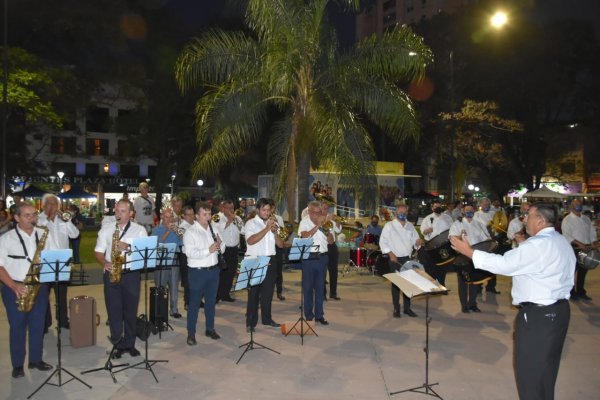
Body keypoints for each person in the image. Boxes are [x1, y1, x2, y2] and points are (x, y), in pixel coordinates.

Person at [450, 203, 575, 400]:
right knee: (546, 370)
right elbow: (540, 261)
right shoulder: (560, 240)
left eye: (529, 215)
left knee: (530, 374)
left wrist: (469, 252)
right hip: (559, 312)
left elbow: (504, 265)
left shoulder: (537, 246)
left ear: (541, 221)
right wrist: (523, 243)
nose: (524, 219)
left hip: (539, 316)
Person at [0, 202, 53, 378]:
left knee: (38, 325)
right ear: (16, 218)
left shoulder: (43, 233)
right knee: (18, 326)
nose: (33, 218)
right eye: (27, 215)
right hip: (14, 287)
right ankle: (17, 365)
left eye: (34, 214)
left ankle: (35, 360)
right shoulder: (6, 239)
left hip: (39, 285)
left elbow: (52, 257)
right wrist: (13, 285)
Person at [95, 199, 147, 359]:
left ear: (131, 213)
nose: (118, 214)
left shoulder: (139, 230)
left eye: (122, 211)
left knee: (130, 312)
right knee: (114, 311)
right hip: (111, 273)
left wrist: (128, 247)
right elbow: (98, 251)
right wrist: (105, 262)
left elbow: (146, 252)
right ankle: (117, 343)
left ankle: (129, 344)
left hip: (131, 274)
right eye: (117, 211)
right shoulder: (107, 229)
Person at [182, 202, 224, 345]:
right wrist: (209, 250)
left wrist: (220, 243)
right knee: (194, 304)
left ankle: (210, 328)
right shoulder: (191, 232)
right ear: (197, 216)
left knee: (211, 303)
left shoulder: (214, 229)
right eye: (205, 214)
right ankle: (191, 333)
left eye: (209, 214)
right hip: (197, 272)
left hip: (213, 271)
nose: (208, 217)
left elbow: (221, 250)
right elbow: (190, 253)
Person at [37, 194, 81, 330]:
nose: (53, 207)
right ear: (44, 206)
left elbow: (75, 235)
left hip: (62, 261)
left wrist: (67, 220)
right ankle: (45, 322)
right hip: (44, 261)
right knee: (43, 295)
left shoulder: (64, 219)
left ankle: (62, 320)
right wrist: (49, 219)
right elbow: (37, 234)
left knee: (61, 294)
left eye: (55, 204)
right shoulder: (38, 219)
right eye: (50, 204)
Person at [244, 198, 283, 331]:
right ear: (258, 210)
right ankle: (250, 323)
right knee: (254, 294)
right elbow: (250, 241)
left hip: (270, 260)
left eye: (269, 210)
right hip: (255, 260)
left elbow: (280, 244)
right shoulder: (251, 223)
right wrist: (266, 229)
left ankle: (267, 319)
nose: (267, 212)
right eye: (264, 210)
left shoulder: (273, 224)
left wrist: (274, 232)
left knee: (268, 294)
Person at [379, 204, 423, 318]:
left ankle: (407, 308)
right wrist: (390, 253)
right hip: (394, 258)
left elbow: (415, 241)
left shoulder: (410, 226)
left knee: (408, 284)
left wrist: (418, 242)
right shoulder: (389, 225)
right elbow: (382, 242)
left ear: (407, 212)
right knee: (396, 285)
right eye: (399, 212)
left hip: (407, 258)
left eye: (404, 212)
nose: (402, 214)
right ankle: (396, 308)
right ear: (396, 213)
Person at [449, 204, 491, 313]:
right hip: (462, 256)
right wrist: (460, 235)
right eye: (467, 210)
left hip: (475, 255)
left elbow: (485, 239)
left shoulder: (479, 224)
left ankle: (473, 304)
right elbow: (451, 238)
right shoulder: (457, 224)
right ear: (463, 211)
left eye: (471, 210)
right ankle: (464, 306)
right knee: (463, 282)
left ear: (474, 211)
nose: (469, 212)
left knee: (474, 281)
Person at [298, 201, 330, 325]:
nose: (318, 214)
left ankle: (319, 315)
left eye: (319, 212)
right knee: (308, 288)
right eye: (316, 212)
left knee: (320, 288)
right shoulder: (304, 222)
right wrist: (317, 225)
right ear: (310, 212)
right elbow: (304, 236)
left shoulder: (325, 221)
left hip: (322, 257)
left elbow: (330, 241)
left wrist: (329, 232)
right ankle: (309, 315)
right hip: (309, 258)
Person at [561, 199, 598, 301]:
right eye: (576, 205)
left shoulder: (586, 219)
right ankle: (571, 292)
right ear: (571, 206)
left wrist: (593, 242)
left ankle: (581, 292)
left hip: (586, 248)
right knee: (572, 271)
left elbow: (591, 231)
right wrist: (579, 244)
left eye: (580, 204)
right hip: (574, 249)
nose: (578, 206)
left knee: (583, 271)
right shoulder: (567, 220)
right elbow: (567, 235)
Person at [152, 208, 182, 318]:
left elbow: (183, 242)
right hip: (161, 260)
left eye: (171, 217)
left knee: (174, 285)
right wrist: (168, 231)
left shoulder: (176, 229)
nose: (169, 219)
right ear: (162, 217)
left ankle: (174, 310)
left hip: (174, 259)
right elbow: (157, 243)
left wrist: (178, 232)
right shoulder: (156, 230)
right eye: (166, 216)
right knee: (160, 286)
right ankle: (159, 311)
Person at [215, 199, 244, 303]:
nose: (231, 210)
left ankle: (225, 294)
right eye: (228, 208)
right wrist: (229, 221)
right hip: (223, 249)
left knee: (231, 273)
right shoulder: (217, 217)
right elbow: (216, 230)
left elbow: (243, 231)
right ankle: (217, 296)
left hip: (234, 249)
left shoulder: (237, 218)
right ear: (223, 208)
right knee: (220, 273)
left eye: (232, 208)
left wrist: (237, 222)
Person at [419, 200, 453, 286]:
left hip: (444, 246)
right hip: (431, 247)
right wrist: (426, 231)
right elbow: (423, 230)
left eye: (439, 206)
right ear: (432, 208)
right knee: (431, 267)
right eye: (436, 206)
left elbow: (452, 230)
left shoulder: (447, 218)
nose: (438, 208)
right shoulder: (427, 218)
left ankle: (441, 285)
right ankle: (431, 285)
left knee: (443, 267)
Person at [474, 197, 501, 294]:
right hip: (481, 243)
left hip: (493, 241)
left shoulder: (493, 214)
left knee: (493, 264)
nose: (487, 206)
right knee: (480, 265)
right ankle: (478, 287)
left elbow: (498, 227)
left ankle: (491, 287)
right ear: (480, 205)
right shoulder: (476, 215)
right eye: (485, 204)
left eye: (488, 204)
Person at [267, 199, 287, 301]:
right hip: (267, 247)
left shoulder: (278, 218)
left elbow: (282, 234)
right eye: (268, 208)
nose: (270, 210)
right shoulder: (263, 219)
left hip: (277, 246)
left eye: (271, 208)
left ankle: (279, 292)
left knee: (278, 271)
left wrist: (276, 222)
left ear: (274, 208)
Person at [322, 201, 342, 301]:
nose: (327, 210)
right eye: (324, 208)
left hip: (332, 246)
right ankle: (323, 294)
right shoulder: (318, 220)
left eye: (327, 208)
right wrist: (327, 220)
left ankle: (333, 293)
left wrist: (337, 221)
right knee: (322, 272)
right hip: (323, 246)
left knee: (334, 271)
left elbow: (338, 231)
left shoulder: (331, 220)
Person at [179, 205, 195, 310]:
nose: (191, 217)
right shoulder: (182, 227)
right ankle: (188, 302)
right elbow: (184, 238)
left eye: (192, 214)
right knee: (188, 280)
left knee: (196, 279)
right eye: (188, 215)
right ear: (183, 216)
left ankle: (196, 300)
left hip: (196, 255)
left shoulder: (196, 225)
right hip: (186, 256)